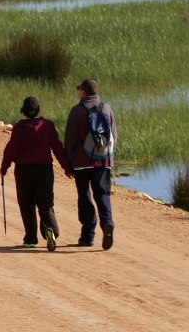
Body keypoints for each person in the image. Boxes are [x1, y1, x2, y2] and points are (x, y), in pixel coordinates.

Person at [0, 96, 72, 250]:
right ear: (38, 110)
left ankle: (31, 238)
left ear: (23, 111)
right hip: (44, 170)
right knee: (45, 203)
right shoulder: (48, 126)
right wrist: (67, 167)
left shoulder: (19, 128)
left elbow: (11, 149)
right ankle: (50, 230)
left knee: (26, 204)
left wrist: (4, 167)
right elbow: (58, 148)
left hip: (23, 170)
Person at [64, 79, 117, 250]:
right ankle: (107, 222)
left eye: (79, 89)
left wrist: (68, 164)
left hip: (81, 162)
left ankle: (88, 235)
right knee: (103, 194)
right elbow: (113, 136)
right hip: (103, 161)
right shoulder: (107, 108)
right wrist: (109, 157)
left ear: (84, 92)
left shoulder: (77, 111)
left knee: (85, 196)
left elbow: (70, 140)